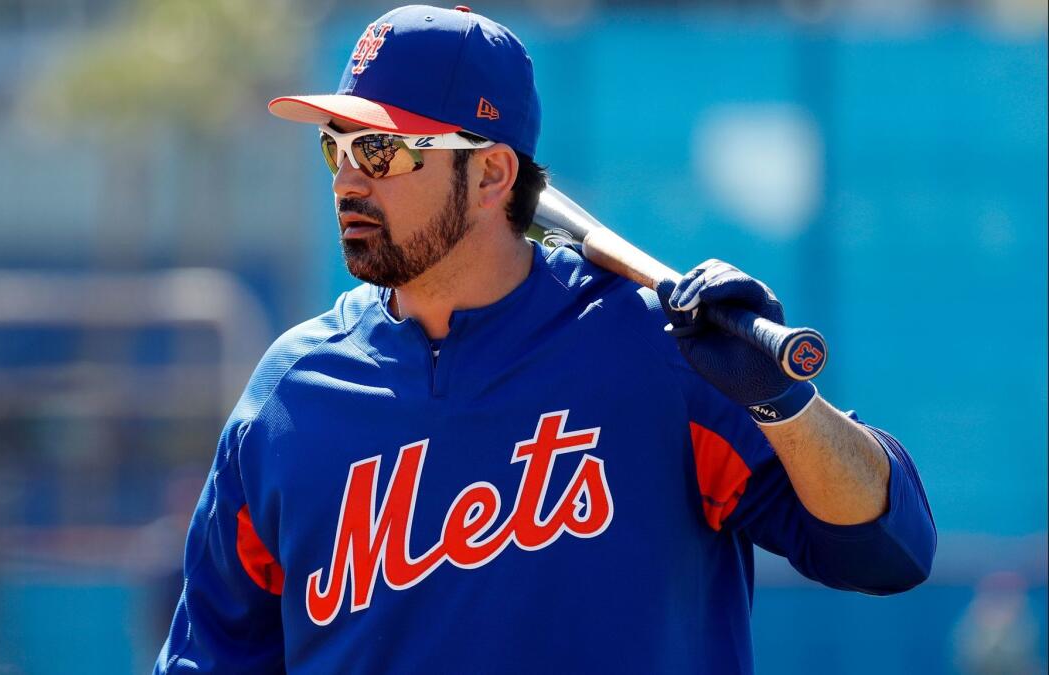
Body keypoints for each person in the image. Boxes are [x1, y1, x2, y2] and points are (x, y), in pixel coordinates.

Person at [155, 5, 936, 673]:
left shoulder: (660, 352)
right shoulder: (291, 392)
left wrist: (785, 406)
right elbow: (211, 654)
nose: (348, 180)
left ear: (493, 175)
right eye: (337, 146)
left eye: (383, 150)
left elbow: (888, 549)